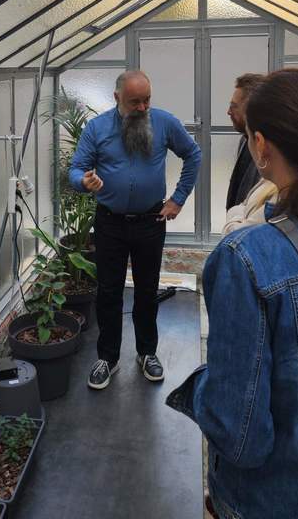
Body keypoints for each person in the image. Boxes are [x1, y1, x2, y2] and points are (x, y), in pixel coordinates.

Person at [167, 68, 298, 518]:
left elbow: (240, 436)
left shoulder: (247, 258)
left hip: (277, 502)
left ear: (262, 146)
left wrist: (204, 385)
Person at [69, 70, 201, 391]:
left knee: (147, 290)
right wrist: (83, 181)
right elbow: (76, 168)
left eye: (147, 100)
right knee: (108, 292)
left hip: (150, 222)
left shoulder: (164, 122)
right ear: (117, 99)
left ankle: (147, 352)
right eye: (134, 102)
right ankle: (108, 358)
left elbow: (193, 154)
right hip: (109, 222)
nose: (142, 108)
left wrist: (178, 199)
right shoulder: (97, 128)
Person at [226, 73, 265, 211]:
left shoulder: (270, 151)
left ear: (251, 110)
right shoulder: (245, 140)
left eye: (234, 106)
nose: (228, 112)